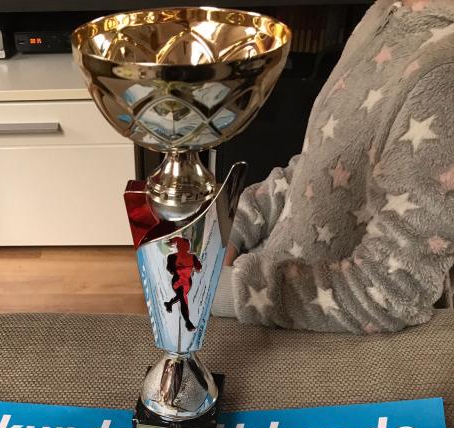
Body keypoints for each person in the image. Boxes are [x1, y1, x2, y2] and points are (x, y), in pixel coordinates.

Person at [213, 0, 454, 334]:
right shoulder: (386, 13)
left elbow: (391, 293)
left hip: (313, 338)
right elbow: (317, 167)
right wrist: (236, 225)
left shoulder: (443, 73)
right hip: (260, 288)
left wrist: (228, 293)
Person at [164, 236, 202, 332]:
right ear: (179, 246)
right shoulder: (172, 257)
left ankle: (169, 303)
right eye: (184, 245)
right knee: (182, 297)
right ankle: (188, 322)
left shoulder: (192, 257)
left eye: (187, 245)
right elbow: (170, 269)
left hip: (187, 282)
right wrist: (182, 269)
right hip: (177, 281)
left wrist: (193, 268)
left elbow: (199, 268)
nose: (186, 247)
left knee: (181, 296)